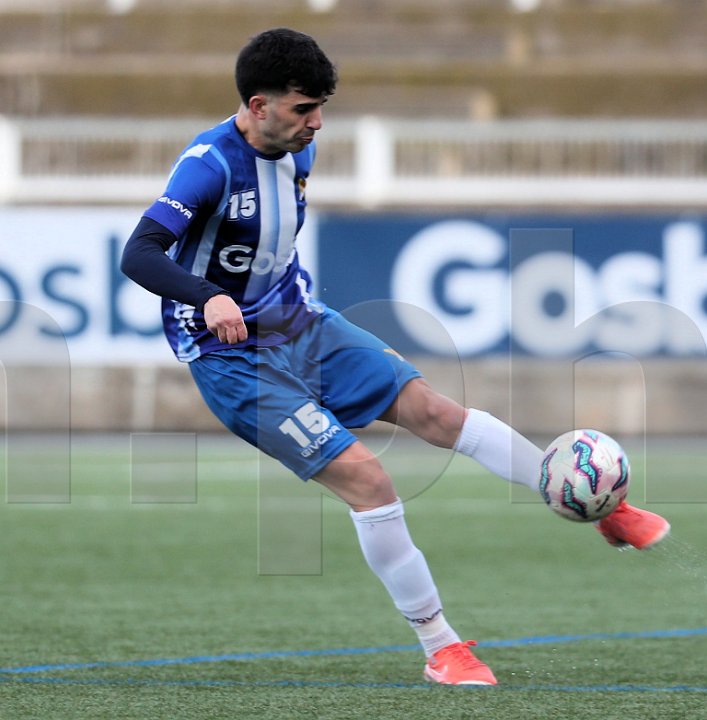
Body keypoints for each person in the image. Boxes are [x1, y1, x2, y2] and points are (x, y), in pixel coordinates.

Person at [121, 27, 671, 686]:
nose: (316, 123)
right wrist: (209, 296)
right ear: (258, 105)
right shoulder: (207, 165)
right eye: (303, 109)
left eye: (321, 108)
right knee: (368, 480)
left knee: (436, 412)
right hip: (232, 357)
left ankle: (598, 508)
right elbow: (139, 252)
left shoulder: (298, 149)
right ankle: (441, 648)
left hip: (300, 322)